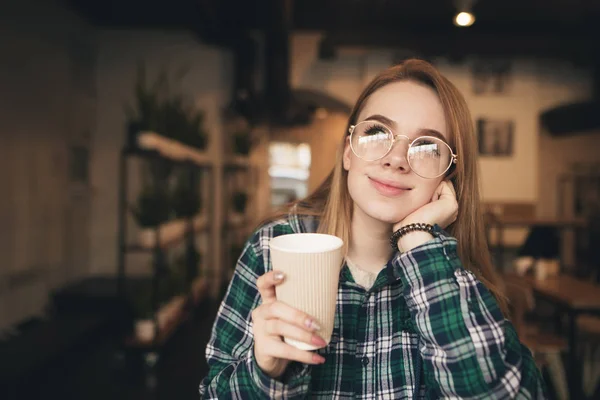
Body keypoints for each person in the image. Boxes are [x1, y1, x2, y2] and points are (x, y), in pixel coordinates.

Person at [199, 59, 546, 399]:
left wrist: (418, 240)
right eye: (377, 132)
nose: (396, 159)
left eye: (426, 147)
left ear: (447, 178)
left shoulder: (456, 278)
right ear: (348, 152)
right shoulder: (273, 246)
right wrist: (265, 371)